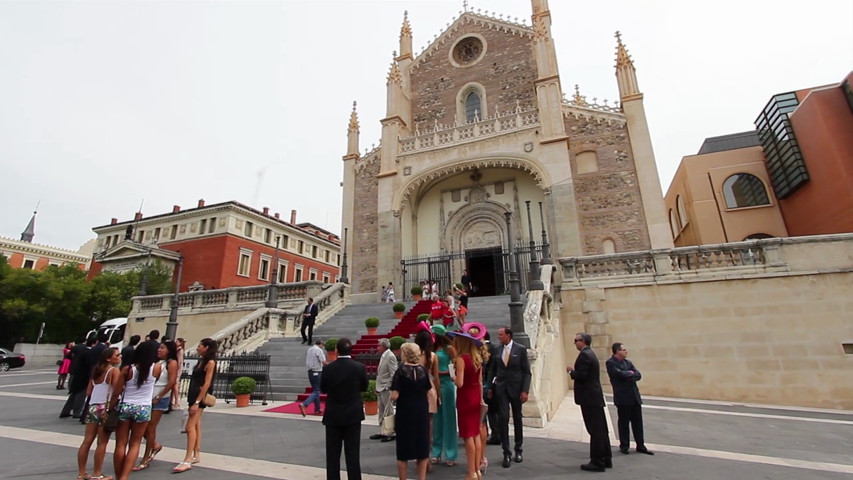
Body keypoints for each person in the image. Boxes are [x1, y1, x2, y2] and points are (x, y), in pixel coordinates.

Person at [111, 341, 161, 480]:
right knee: (135, 443)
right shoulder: (156, 368)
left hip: (126, 405)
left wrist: (109, 409)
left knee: (121, 444)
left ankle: (118, 475)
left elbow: (117, 392)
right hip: (144, 407)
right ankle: (124, 477)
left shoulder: (128, 369)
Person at [320, 337, 368, 480]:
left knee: (333, 456)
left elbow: (323, 388)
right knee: (353, 454)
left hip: (333, 415)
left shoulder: (328, 368)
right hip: (353, 414)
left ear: (337, 350)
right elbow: (364, 387)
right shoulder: (359, 367)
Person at [487, 326, 532, 468]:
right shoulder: (497, 350)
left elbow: (526, 372)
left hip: (516, 389)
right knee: (503, 418)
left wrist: (525, 390)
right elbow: (492, 370)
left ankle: (518, 449)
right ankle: (506, 452)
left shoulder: (520, 349)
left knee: (517, 418)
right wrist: (489, 387)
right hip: (501, 389)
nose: (499, 337)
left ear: (509, 335)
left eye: (501, 334)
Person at [448, 322, 488, 480]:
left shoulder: (461, 359)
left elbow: (460, 383)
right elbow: (479, 381)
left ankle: (471, 471)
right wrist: (481, 398)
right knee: (476, 433)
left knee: (468, 435)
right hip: (475, 396)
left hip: (465, 397)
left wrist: (453, 376)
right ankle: (477, 469)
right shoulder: (476, 358)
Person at [567, 332, 612, 472]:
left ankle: (597, 462)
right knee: (601, 430)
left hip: (589, 398)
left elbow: (581, 375)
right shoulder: (590, 353)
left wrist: (571, 372)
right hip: (594, 397)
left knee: (595, 430)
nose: (574, 343)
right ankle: (606, 458)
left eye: (576, 340)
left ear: (583, 341)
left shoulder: (585, 355)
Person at [173, 338, 217, 474]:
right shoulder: (201, 361)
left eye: (200, 346)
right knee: (196, 425)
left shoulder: (210, 363)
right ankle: (196, 454)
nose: (197, 348)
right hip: (194, 395)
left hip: (199, 398)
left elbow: (207, 383)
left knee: (189, 427)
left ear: (206, 348)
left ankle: (187, 459)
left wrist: (197, 402)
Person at [133, 341, 179, 471]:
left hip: (160, 398)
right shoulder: (159, 363)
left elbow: (172, 382)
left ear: (169, 350)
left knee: (150, 427)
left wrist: (159, 396)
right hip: (150, 396)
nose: (159, 350)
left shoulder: (172, 363)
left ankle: (146, 457)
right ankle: (154, 445)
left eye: (162, 348)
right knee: (144, 427)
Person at [76, 347, 120, 480]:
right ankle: (97, 473)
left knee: (87, 440)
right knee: (102, 442)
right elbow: (117, 391)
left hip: (93, 406)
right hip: (104, 407)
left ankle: (82, 472)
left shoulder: (96, 370)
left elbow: (89, 391)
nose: (119, 357)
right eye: (117, 355)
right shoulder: (113, 371)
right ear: (109, 358)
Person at [390, 343, 433, 480]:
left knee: (403, 449)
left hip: (405, 412)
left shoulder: (401, 371)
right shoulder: (423, 370)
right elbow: (428, 390)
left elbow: (394, 395)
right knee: (422, 448)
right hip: (421, 411)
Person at [606, 342, 653, 456]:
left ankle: (640, 445)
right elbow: (619, 375)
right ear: (617, 351)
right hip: (623, 397)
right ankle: (624, 445)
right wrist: (629, 374)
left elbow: (638, 375)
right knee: (624, 422)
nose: (626, 351)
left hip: (634, 396)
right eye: (624, 349)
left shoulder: (628, 362)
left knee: (638, 423)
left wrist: (629, 374)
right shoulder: (611, 363)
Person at [430, 324, 458, 466]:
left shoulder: (449, 349)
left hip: (446, 384)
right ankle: (436, 451)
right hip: (434, 384)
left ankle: (451, 453)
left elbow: (455, 367)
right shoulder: (433, 349)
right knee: (436, 418)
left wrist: (441, 373)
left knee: (449, 418)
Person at [414, 326, 439, 469]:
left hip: (416, 388)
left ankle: (419, 456)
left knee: (417, 424)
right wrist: (439, 395)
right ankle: (426, 457)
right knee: (429, 425)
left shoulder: (414, 355)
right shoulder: (433, 356)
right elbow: (436, 379)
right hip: (429, 389)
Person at [370, 337, 398, 442]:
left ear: (384, 346)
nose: (377, 347)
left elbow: (393, 373)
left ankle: (390, 431)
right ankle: (382, 430)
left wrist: (388, 386)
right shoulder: (383, 355)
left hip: (386, 388)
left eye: (378, 345)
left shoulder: (390, 356)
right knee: (381, 409)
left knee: (388, 410)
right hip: (380, 387)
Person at [60, 337, 92, 419]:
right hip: (83, 374)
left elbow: (68, 356)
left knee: (74, 392)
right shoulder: (87, 351)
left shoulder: (76, 347)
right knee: (81, 393)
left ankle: (65, 411)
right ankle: (77, 412)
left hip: (74, 370)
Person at [299, 340, 327, 416]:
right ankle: (305, 404)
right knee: (317, 391)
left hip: (310, 372)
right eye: (322, 345)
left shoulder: (310, 349)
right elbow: (323, 361)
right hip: (317, 371)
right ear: (320, 344)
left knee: (315, 390)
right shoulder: (318, 350)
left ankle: (317, 408)